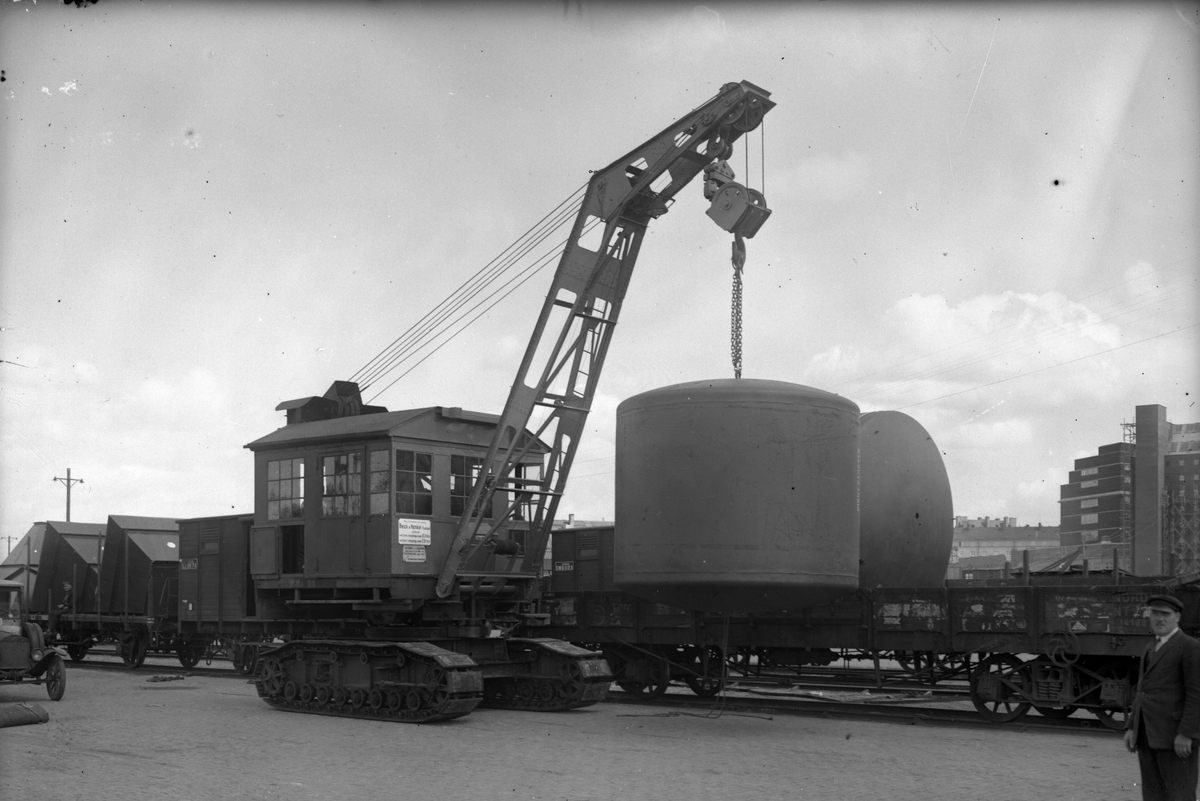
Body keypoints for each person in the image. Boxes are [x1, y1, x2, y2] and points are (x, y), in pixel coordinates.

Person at [1124, 593, 1200, 801]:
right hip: (1147, 736)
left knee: (1180, 795)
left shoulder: (1190, 647)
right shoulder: (1150, 647)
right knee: (1153, 795)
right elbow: (1142, 690)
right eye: (1155, 613)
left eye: (1165, 614)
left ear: (1177, 617)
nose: (1159, 619)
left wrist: (1186, 733)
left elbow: (1196, 695)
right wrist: (1132, 727)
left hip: (1175, 739)